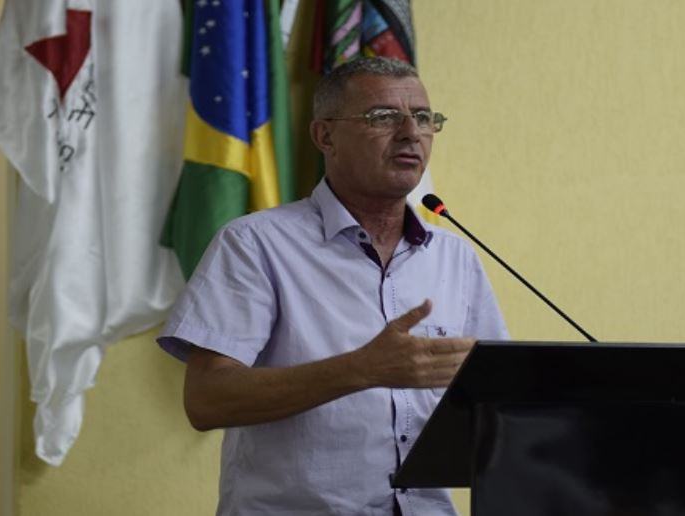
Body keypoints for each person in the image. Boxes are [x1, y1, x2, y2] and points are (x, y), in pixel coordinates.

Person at [158, 57, 507, 516]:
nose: (410, 133)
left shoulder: (455, 257)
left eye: (423, 118)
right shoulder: (256, 245)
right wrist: (362, 369)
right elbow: (206, 400)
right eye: (383, 117)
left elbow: (500, 401)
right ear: (325, 136)